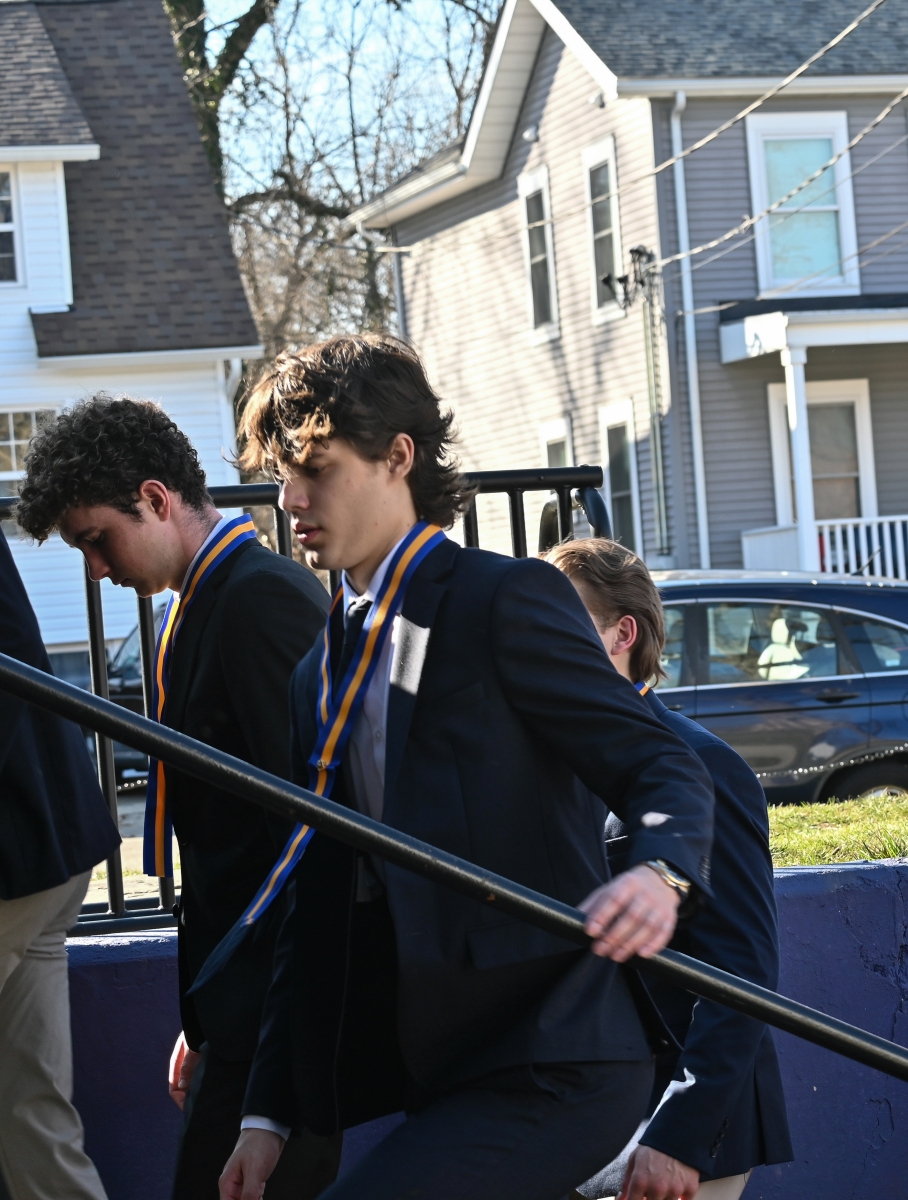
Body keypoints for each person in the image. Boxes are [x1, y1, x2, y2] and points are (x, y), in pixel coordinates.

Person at [215, 334, 717, 1200]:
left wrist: (660, 872)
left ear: (397, 457)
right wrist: (267, 1112)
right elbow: (313, 898)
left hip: (560, 1055)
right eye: (283, 476)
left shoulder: (503, 598)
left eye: (316, 470)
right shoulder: (317, 670)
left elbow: (659, 759)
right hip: (444, 1067)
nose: (290, 499)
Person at [15, 394, 338, 1200]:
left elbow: (316, 833)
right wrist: (206, 1018)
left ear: (156, 499)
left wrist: (260, 1031)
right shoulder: (202, 602)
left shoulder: (259, 600)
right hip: (238, 1009)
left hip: (281, 1018)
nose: (96, 568)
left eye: (97, 539)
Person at [545, 538, 792, 1200]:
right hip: (573, 1118)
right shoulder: (552, 763)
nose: (538, 640)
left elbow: (742, 966)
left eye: (562, 622)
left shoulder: (703, 766)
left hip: (672, 1133)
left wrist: (679, 1132)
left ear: (622, 634)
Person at [0, 535, 116, 1200]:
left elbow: (10, 643)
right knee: (31, 1111)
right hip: (49, 849)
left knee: (31, 1110)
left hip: (23, 857)